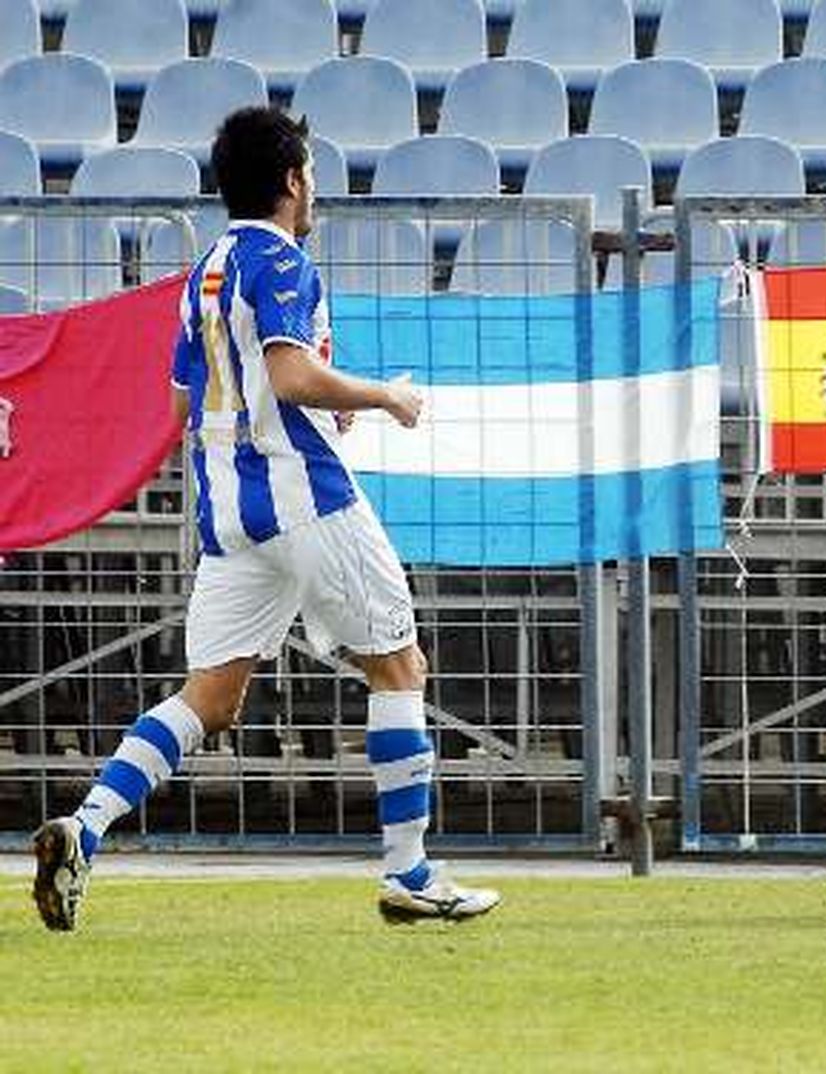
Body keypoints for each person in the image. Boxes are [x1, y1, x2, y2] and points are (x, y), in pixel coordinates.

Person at [30, 106, 501, 931]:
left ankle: (84, 827)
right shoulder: (281, 261)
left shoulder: (203, 272)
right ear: (291, 182)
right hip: (306, 502)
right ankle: (412, 872)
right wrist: (382, 396)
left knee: (208, 698)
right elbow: (288, 377)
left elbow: (186, 396)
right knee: (400, 668)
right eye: (310, 172)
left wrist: (312, 404)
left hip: (229, 516)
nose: (313, 187)